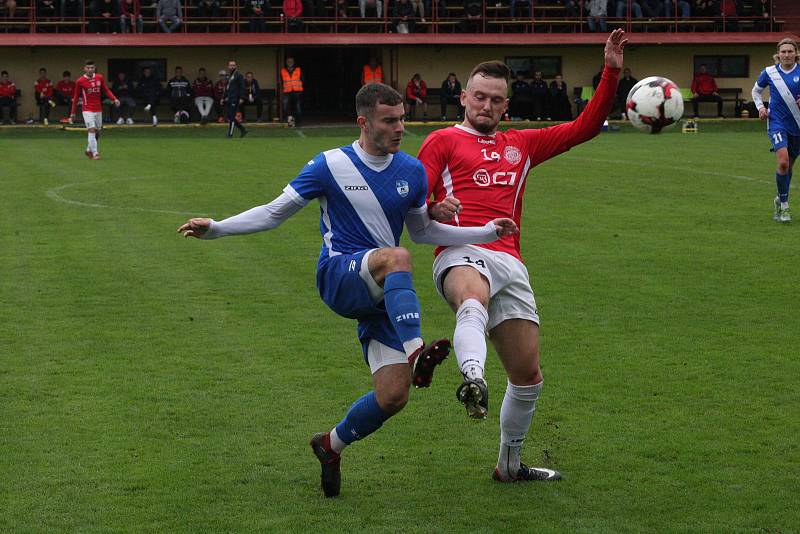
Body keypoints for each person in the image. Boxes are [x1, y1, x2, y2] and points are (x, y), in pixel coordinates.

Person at [177, 82, 519, 498]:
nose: (399, 129)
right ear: (364, 122)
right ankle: (417, 353)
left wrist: (483, 231)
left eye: (402, 120)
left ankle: (330, 444)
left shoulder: (411, 171)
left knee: (393, 396)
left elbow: (423, 230)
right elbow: (272, 213)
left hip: (381, 292)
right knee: (396, 257)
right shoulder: (328, 164)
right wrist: (215, 229)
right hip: (339, 275)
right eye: (389, 121)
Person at [417, 29, 626, 483]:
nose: (487, 106)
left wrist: (610, 70)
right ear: (464, 98)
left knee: (528, 375)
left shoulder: (523, 145)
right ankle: (473, 377)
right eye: (479, 97)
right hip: (460, 249)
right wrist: (433, 207)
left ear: (505, 106)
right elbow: (415, 198)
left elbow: (585, 127)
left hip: (509, 261)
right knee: (471, 300)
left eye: (495, 100)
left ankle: (509, 467)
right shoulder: (442, 141)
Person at [752, 38, 800, 224]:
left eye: (790, 51)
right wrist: (760, 108)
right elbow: (756, 92)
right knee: (782, 162)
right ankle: (785, 207)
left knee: (789, 167)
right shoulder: (769, 72)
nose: (787, 55)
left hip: (797, 125)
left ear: (795, 53)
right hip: (777, 123)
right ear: (778, 54)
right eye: (783, 51)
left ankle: (780, 198)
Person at [70, 60, 120, 160]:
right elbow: (76, 97)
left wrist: (114, 99)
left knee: (97, 132)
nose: (90, 69)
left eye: (92, 68)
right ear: (84, 69)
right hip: (87, 109)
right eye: (88, 68)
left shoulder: (99, 77)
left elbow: (106, 90)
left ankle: (88, 150)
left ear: (94, 68)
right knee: (91, 129)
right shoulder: (80, 81)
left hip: (98, 109)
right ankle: (95, 153)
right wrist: (73, 112)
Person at [222, 59, 248, 138]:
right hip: (229, 98)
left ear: (236, 66)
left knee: (232, 116)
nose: (232, 66)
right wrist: (223, 98)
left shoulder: (238, 75)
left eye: (233, 65)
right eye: (230, 65)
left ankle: (230, 134)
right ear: (228, 66)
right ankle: (243, 129)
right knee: (229, 116)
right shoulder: (229, 76)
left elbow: (242, 87)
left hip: (235, 99)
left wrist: (242, 97)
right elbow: (227, 88)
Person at [280, 56, 303, 126]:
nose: (290, 62)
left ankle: (298, 123)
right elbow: (281, 81)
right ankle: (290, 123)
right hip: (287, 92)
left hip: (297, 92)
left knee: (298, 108)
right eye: (288, 61)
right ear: (286, 62)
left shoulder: (298, 69)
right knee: (286, 107)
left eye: (291, 61)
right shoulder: (283, 70)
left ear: (293, 62)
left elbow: (303, 79)